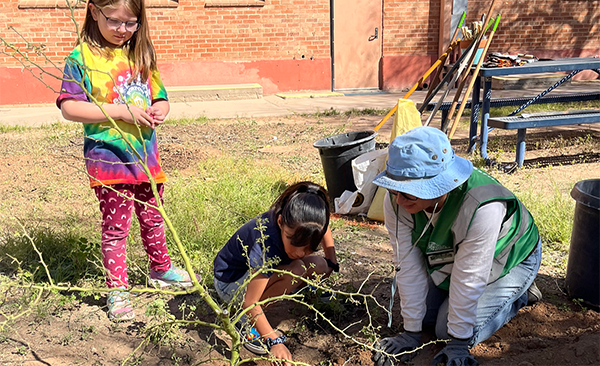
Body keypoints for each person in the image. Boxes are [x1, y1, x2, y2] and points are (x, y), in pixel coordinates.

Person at [56, 0, 197, 321]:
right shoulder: (81, 58)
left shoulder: (141, 54)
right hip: (110, 162)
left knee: (153, 219)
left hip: (146, 161)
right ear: (93, 12)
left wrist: (159, 109)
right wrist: (122, 112)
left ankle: (160, 270)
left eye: (131, 23)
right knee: (117, 228)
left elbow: (160, 96)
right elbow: (69, 107)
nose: (122, 29)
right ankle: (117, 289)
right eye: (114, 21)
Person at [370, 126, 542, 366]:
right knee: (425, 319)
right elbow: (407, 267)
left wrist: (459, 342)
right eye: (394, 189)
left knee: (444, 329)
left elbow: (470, 276)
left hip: (509, 259)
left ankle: (520, 293)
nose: (398, 200)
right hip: (454, 258)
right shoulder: (397, 201)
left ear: (439, 185)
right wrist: (411, 332)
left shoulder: (482, 207)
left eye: (408, 193)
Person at [213, 181, 338, 365]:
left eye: (308, 248)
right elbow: (250, 301)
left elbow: (324, 225)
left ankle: (295, 288)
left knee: (319, 265)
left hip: (257, 275)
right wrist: (273, 340)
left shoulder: (302, 221)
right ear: (280, 222)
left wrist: (332, 262)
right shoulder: (266, 243)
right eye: (293, 242)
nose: (299, 252)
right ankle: (245, 322)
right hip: (230, 283)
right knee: (296, 270)